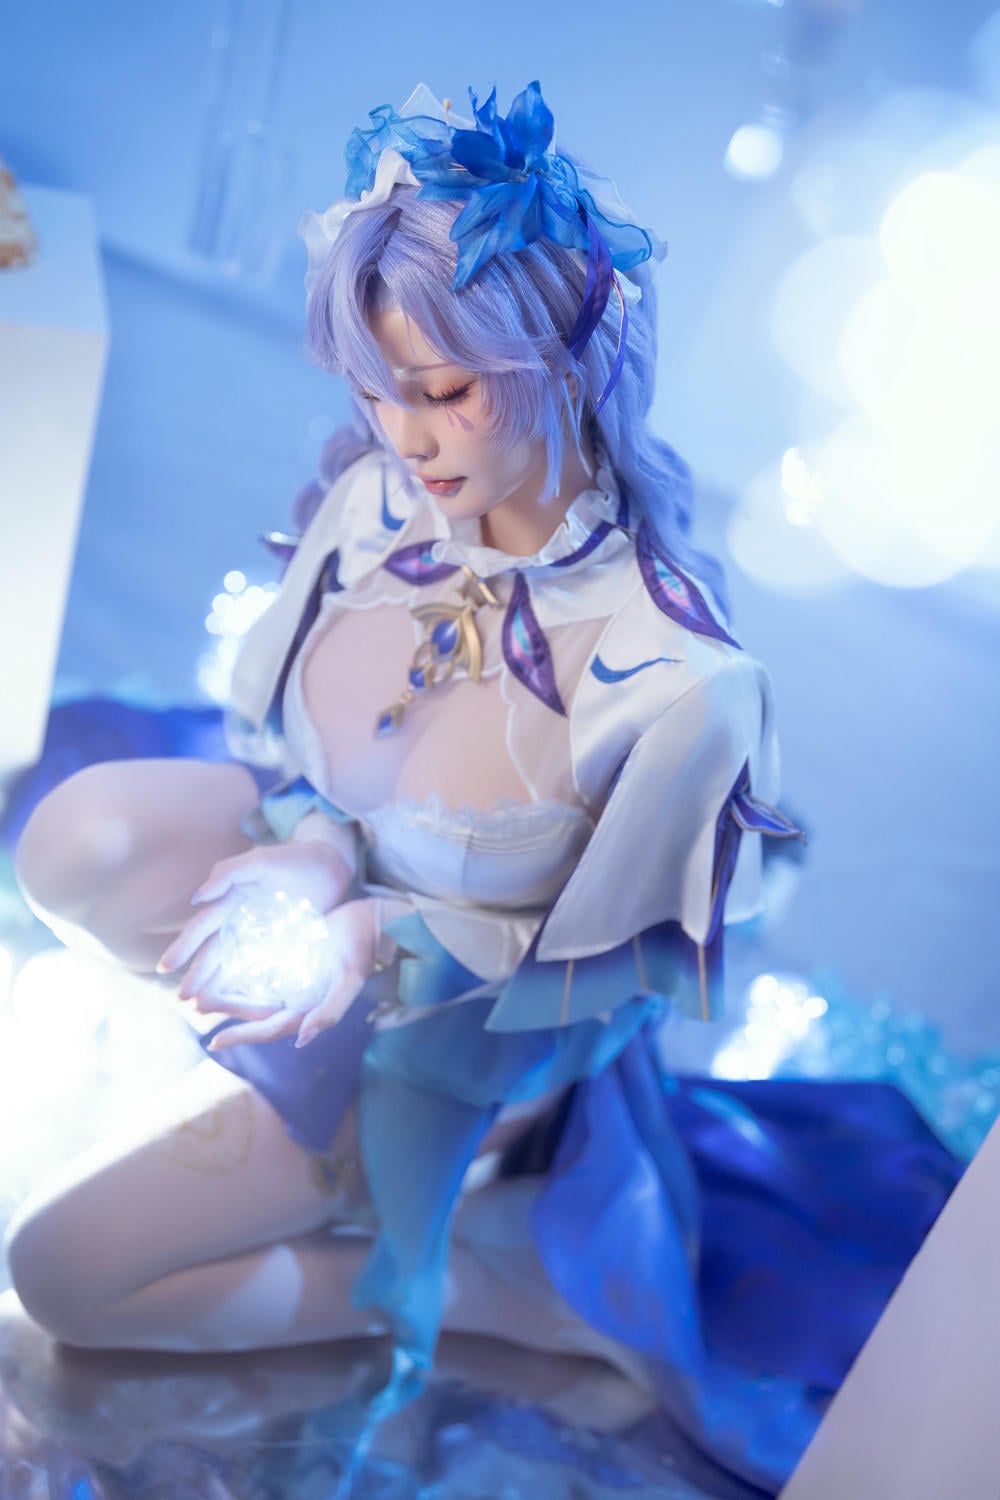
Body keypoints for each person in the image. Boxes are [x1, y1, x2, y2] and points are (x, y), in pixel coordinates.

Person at [3, 83, 958, 1495]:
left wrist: (377, 943)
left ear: (567, 361)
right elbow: (304, 762)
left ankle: (491, 1278)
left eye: (443, 393)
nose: (404, 436)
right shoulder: (378, 504)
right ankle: (267, 1103)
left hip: (455, 1044)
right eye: (376, 389)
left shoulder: (672, 681)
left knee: (63, 1272)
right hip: (330, 931)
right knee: (75, 840)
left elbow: (591, 977)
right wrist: (312, 856)